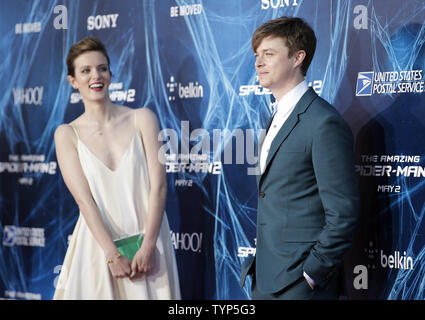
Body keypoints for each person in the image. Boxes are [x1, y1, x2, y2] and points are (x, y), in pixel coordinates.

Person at [239, 17, 360, 299]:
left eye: (269, 54)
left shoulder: (323, 122)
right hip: (266, 278)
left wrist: (311, 274)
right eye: (257, 55)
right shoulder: (275, 118)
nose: (258, 63)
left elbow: (343, 212)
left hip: (300, 284)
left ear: (297, 57)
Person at [53, 37, 181, 299]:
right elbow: (84, 200)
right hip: (98, 246)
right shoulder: (67, 134)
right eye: (85, 71)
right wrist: (112, 255)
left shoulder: (143, 118)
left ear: (110, 73)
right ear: (73, 81)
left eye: (101, 68)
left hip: (149, 240)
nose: (95, 76)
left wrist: (147, 246)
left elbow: (158, 187)